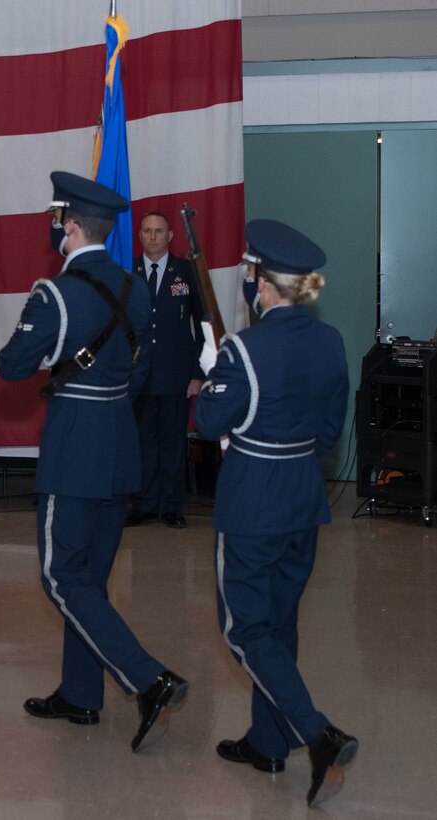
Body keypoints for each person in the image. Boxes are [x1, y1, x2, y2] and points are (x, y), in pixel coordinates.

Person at [0, 172, 187, 751]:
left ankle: (147, 679)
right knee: (90, 580)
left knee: (61, 575)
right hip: (118, 440)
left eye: (59, 219)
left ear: (72, 226)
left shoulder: (55, 292)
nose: (56, 227)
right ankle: (81, 695)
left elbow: (11, 365)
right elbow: (139, 371)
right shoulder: (135, 286)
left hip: (76, 443)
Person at [195, 219, 356, 806]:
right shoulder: (331, 340)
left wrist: (217, 374)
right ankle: (267, 741)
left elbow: (209, 424)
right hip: (302, 496)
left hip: (253, 502)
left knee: (245, 629)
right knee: (279, 623)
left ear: (260, 282)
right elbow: (328, 431)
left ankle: (317, 733)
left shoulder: (245, 348)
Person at [126, 211, 204, 529]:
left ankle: (172, 506)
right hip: (139, 373)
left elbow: (204, 323)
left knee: (173, 440)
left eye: (159, 231)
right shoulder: (127, 272)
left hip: (177, 373)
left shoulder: (186, 271)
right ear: (140, 235)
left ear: (171, 236)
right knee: (143, 441)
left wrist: (199, 372)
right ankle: (145, 504)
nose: (154, 236)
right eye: (148, 231)